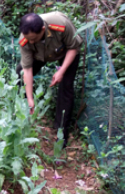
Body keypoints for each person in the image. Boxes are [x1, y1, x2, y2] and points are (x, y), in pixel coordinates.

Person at [17, 12, 82, 146]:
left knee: (66, 88)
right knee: (19, 73)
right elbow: (27, 70)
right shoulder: (25, 39)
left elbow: (73, 47)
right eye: (28, 39)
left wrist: (61, 71)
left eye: (33, 39)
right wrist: (30, 98)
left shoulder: (61, 25)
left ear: (42, 30)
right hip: (39, 55)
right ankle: (23, 116)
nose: (30, 42)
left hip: (66, 52)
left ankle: (61, 134)